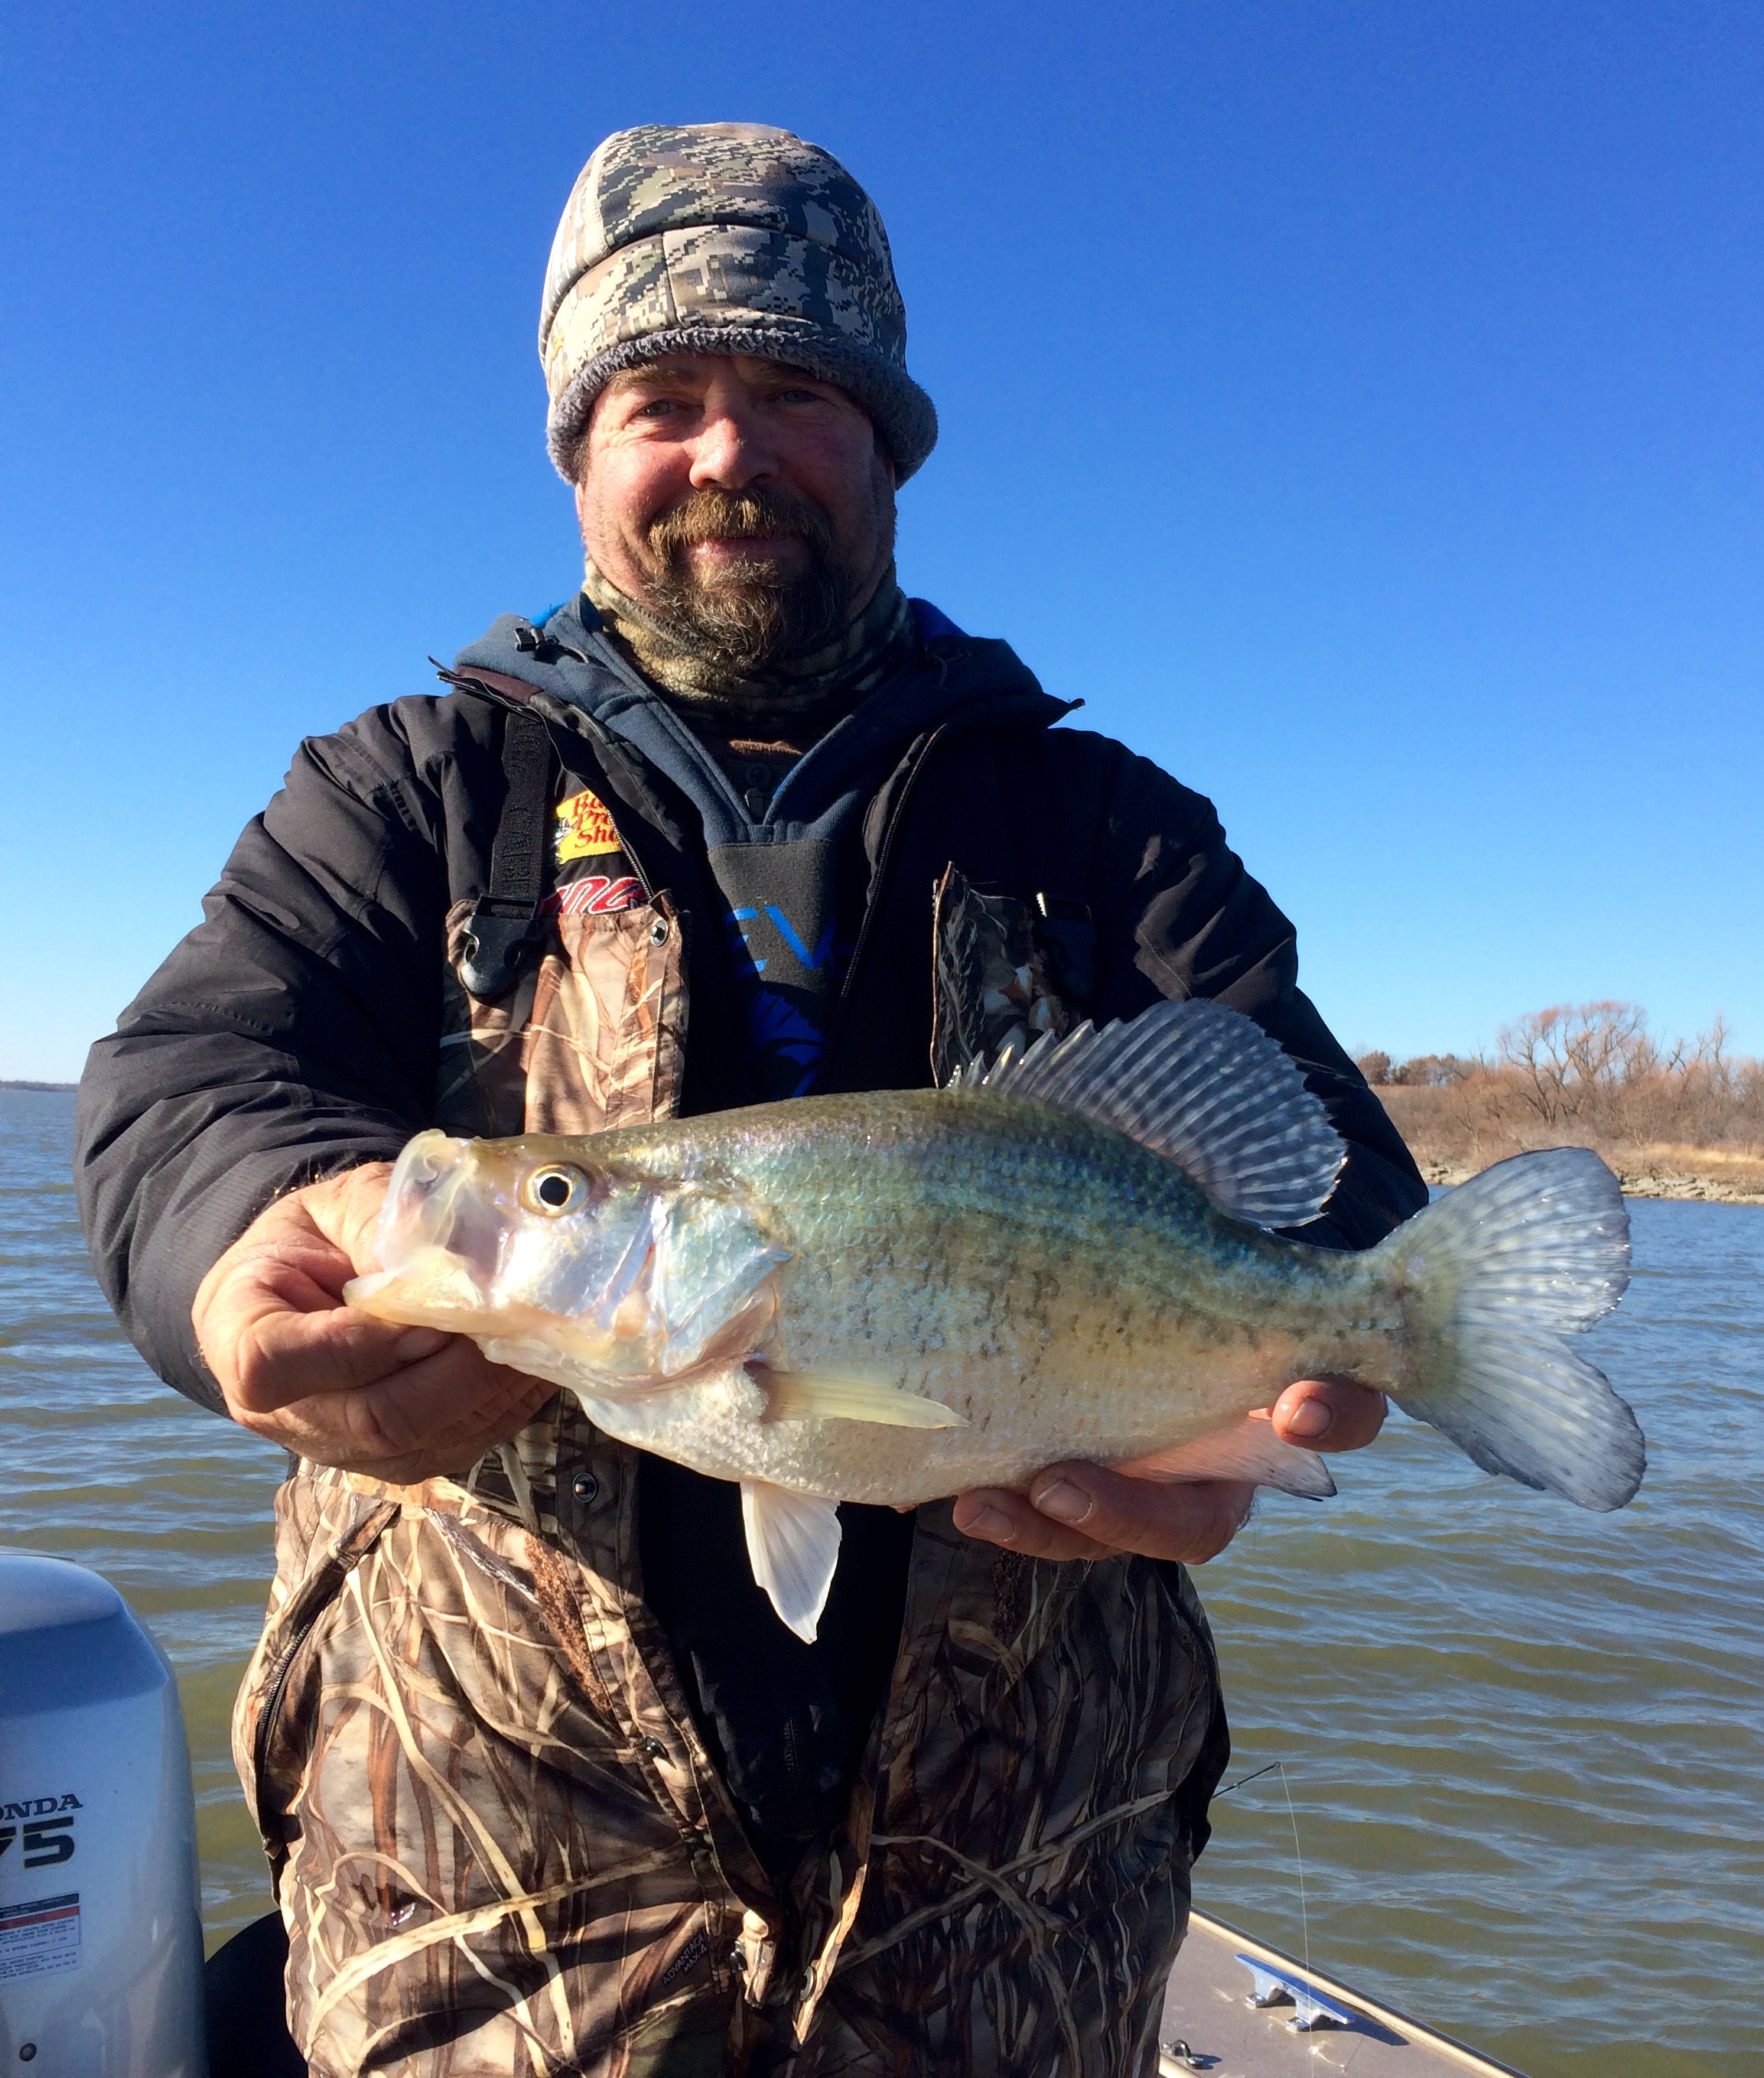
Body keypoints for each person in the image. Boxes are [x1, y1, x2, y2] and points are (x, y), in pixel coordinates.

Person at [76, 122, 1424, 2077]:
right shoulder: (402, 791)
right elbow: (189, 1075)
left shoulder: (1104, 829)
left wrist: (1294, 1373)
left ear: (885, 447)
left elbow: (1333, 1176)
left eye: (793, 390)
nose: (727, 452)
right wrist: (234, 1246)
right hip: (482, 1915)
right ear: (580, 451)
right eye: (660, 399)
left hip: (1021, 1922)